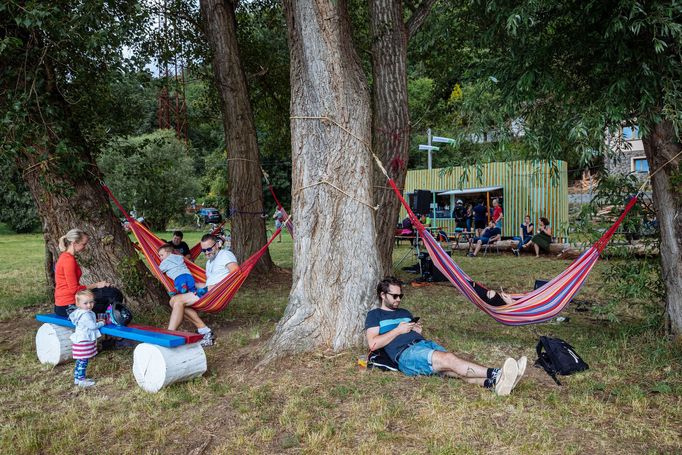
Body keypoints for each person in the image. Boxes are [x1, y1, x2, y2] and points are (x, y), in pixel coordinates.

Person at [365, 277, 525, 396]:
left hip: (422, 345)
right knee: (449, 359)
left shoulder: (405, 313)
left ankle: (494, 384)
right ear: (383, 295)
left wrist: (416, 332)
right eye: (395, 296)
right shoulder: (375, 315)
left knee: (452, 370)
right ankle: (497, 373)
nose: (398, 299)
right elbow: (373, 344)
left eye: (401, 296)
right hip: (405, 354)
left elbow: (408, 333)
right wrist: (398, 330)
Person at [167, 234, 239, 346]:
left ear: (218, 245)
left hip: (216, 294)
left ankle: (169, 335)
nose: (206, 253)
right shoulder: (209, 262)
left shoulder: (225, 254)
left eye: (209, 249)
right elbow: (209, 282)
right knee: (174, 301)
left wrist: (214, 288)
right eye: (203, 250)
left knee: (177, 301)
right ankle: (205, 331)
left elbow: (236, 273)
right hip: (207, 293)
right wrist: (193, 285)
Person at [54, 229, 121, 317]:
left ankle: (105, 317)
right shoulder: (68, 260)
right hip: (67, 306)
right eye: (83, 244)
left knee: (109, 291)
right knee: (114, 294)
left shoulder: (66, 256)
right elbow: (74, 290)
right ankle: (108, 319)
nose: (85, 247)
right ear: (74, 243)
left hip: (70, 301)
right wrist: (97, 285)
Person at [69, 290, 105, 388]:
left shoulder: (82, 312)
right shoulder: (85, 314)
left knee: (80, 360)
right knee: (83, 361)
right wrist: (102, 323)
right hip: (83, 341)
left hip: (81, 340)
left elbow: (89, 322)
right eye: (86, 303)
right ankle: (81, 380)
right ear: (78, 303)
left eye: (91, 302)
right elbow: (92, 326)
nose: (89, 305)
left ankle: (77, 377)